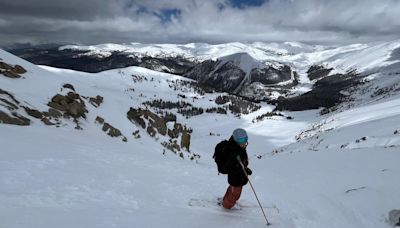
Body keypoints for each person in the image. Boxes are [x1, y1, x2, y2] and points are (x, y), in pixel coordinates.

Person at [222, 128, 252, 209]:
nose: (244, 143)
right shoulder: (233, 152)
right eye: (242, 140)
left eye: (245, 140)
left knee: (232, 189)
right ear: (236, 140)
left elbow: (243, 161)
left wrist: (245, 168)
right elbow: (230, 167)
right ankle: (226, 206)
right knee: (235, 194)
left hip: (239, 177)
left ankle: (225, 200)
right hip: (236, 178)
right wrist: (240, 168)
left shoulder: (239, 148)